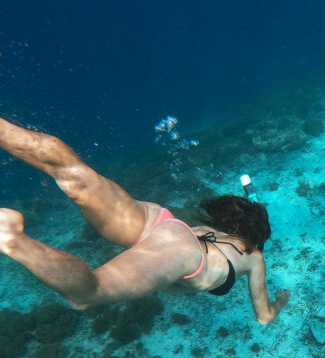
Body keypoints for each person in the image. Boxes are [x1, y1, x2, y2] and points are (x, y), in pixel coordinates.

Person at [0, 115, 290, 323]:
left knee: (77, 176)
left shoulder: (222, 229)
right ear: (258, 238)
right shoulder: (255, 258)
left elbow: (245, 212)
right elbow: (264, 317)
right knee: (87, 293)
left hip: (159, 221)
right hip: (184, 251)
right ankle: (11, 238)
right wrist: (279, 302)